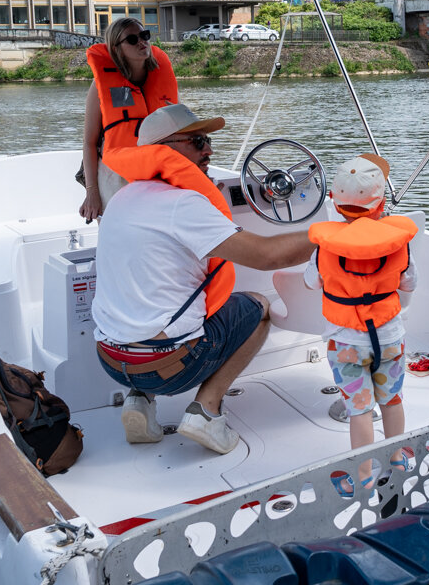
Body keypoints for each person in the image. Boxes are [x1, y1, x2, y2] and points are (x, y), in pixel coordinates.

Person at [91, 104, 316, 455]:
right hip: (168, 366)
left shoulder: (122, 198)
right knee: (258, 307)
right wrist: (334, 235)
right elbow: (267, 256)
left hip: (111, 360)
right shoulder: (183, 205)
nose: (209, 149)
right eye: (198, 142)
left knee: (151, 305)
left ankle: (139, 402)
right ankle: (206, 412)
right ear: (164, 150)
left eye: (208, 141)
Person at [300, 154, 417, 455]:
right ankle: (397, 460)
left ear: (335, 202)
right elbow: (409, 284)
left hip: (345, 344)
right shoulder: (398, 243)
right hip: (389, 339)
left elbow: (311, 282)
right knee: (392, 401)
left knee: (360, 410)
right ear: (381, 204)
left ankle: (364, 472)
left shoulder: (324, 248)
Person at [79, 17, 179, 222]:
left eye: (144, 36)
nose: (142, 42)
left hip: (157, 170)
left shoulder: (162, 77)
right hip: (116, 173)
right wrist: (92, 192)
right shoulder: (101, 85)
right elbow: (89, 142)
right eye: (132, 39)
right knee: (120, 231)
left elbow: (182, 131)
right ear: (116, 48)